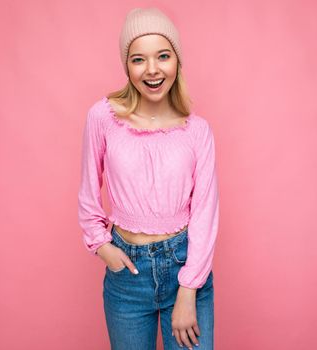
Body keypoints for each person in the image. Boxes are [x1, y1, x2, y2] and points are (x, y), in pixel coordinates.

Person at [78, 7, 219, 350]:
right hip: (127, 275)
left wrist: (188, 290)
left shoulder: (197, 131)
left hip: (185, 268)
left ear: (177, 62)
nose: (153, 70)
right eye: (139, 59)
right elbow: (88, 188)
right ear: (127, 66)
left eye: (163, 56)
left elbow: (205, 213)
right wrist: (101, 245)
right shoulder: (103, 117)